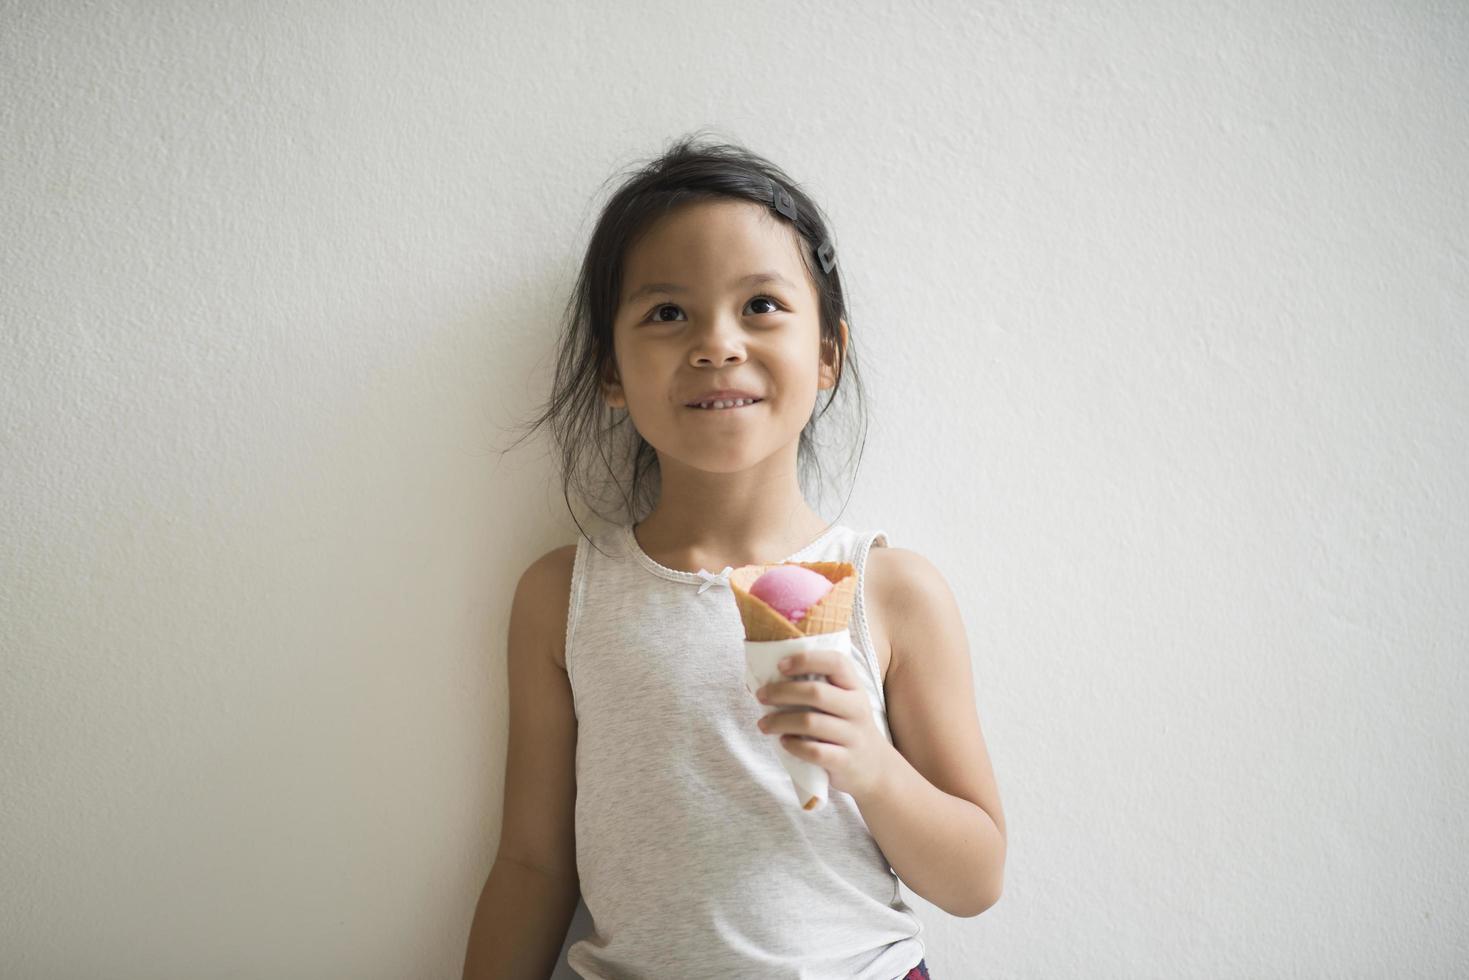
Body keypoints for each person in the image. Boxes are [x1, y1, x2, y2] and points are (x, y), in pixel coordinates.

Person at [463, 132, 1006, 980]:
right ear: (611, 370)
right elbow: (532, 865)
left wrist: (874, 769)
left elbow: (975, 878)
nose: (717, 344)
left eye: (760, 305)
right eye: (667, 313)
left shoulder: (892, 591)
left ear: (826, 354)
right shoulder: (562, 596)